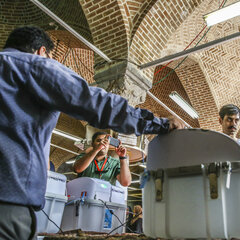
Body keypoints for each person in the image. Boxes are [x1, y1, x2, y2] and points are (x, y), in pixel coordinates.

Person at [0, 26, 184, 239]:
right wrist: (159, 124)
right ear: (42, 52)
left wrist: (123, 157)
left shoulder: (114, 162)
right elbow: (98, 104)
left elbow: (124, 181)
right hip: (8, 204)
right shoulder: (34, 66)